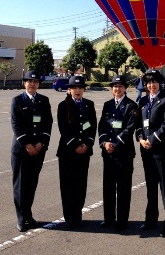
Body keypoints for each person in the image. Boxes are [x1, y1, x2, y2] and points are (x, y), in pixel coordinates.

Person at [135, 69, 165, 237]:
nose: (151, 85)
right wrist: (140, 139)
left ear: (160, 83)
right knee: (150, 186)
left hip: (163, 150)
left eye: (154, 82)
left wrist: (151, 139)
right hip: (146, 151)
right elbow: (139, 124)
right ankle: (151, 219)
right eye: (149, 83)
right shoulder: (143, 100)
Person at [11, 70, 53, 232]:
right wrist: (27, 145)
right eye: (29, 81)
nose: (32, 84)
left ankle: (28, 214)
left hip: (38, 150)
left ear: (38, 84)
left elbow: (47, 123)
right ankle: (21, 218)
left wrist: (41, 143)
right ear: (24, 83)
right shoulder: (17, 101)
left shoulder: (43, 100)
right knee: (20, 186)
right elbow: (16, 125)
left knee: (31, 184)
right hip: (22, 151)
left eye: (35, 82)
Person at [98, 75, 139, 231]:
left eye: (120, 86)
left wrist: (114, 144)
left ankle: (122, 222)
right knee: (108, 188)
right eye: (115, 86)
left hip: (123, 154)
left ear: (125, 88)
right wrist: (104, 143)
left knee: (123, 189)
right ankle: (108, 219)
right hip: (108, 153)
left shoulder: (131, 106)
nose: (117, 89)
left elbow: (129, 129)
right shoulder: (107, 104)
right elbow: (102, 126)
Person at [56, 75, 97, 229]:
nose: (78, 90)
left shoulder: (88, 104)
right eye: (74, 88)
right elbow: (63, 129)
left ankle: (78, 214)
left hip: (84, 152)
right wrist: (75, 145)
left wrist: (87, 144)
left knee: (81, 184)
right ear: (69, 89)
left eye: (80, 88)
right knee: (67, 185)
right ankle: (69, 216)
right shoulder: (63, 106)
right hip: (67, 152)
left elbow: (92, 126)